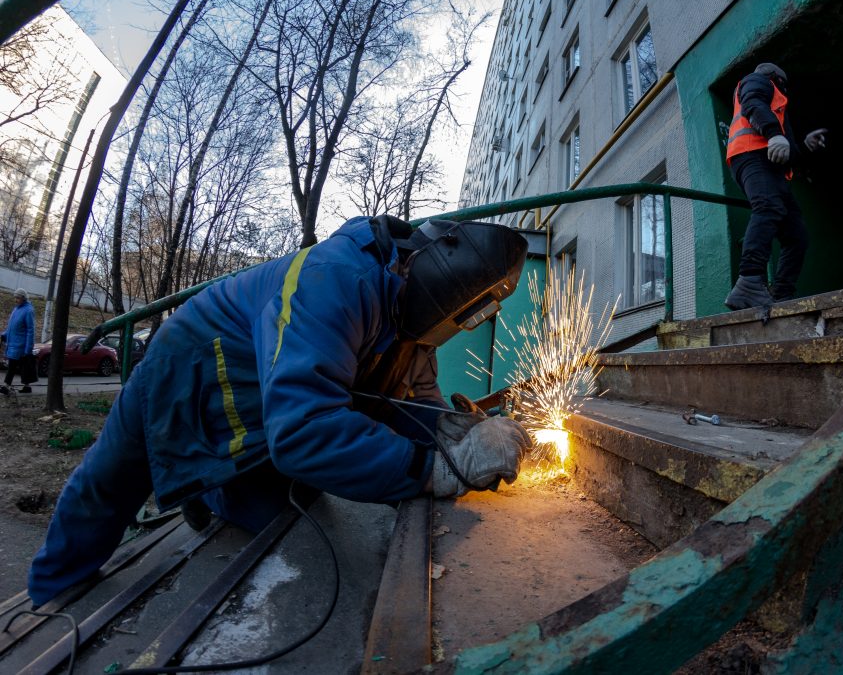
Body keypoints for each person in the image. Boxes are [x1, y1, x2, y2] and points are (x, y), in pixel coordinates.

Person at [27, 215, 534, 607]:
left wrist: (451, 433)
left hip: (267, 401)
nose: (425, 344)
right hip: (188, 364)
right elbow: (304, 432)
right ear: (423, 272)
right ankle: (50, 594)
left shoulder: (412, 329)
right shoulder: (335, 279)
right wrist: (433, 470)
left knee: (281, 512)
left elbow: (413, 402)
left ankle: (212, 485)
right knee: (112, 478)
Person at [724, 62, 828, 310]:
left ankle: (781, 293)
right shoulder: (758, 81)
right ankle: (749, 282)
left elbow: (785, 151)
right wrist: (773, 133)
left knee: (796, 235)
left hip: (769, 165)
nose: (785, 90)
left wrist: (803, 146)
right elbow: (752, 104)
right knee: (767, 207)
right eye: (784, 84)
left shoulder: (777, 107)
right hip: (753, 155)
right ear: (776, 78)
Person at [2, 288, 35, 395]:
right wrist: (3, 335)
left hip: (20, 345)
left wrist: (28, 348)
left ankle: (6, 386)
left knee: (12, 365)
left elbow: (31, 330)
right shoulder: (16, 309)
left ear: (23, 298)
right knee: (24, 366)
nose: (16, 300)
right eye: (15, 297)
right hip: (13, 343)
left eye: (18, 297)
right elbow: (11, 328)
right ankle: (27, 386)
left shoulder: (28, 310)